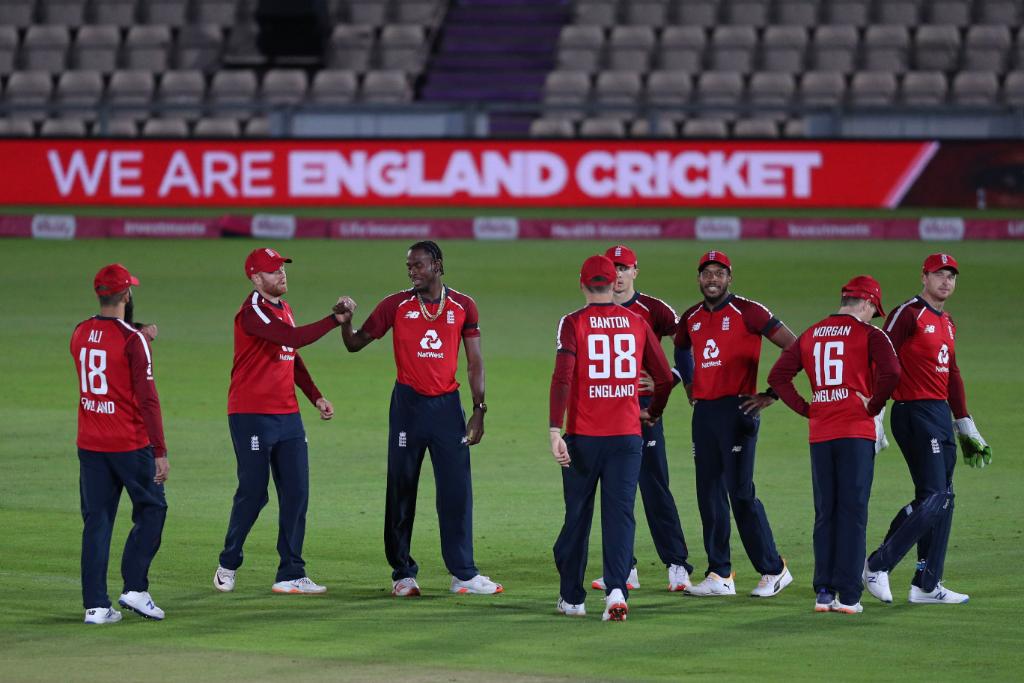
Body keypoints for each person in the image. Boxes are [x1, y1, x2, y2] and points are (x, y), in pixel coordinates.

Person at [334, 241, 502, 597]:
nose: (411, 271)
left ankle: (463, 574)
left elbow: (474, 363)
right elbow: (355, 344)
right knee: (401, 489)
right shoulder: (395, 305)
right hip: (408, 408)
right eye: (409, 265)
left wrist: (479, 410)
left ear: (438, 265)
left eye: (418, 265)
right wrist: (345, 325)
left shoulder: (463, 306)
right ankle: (402, 573)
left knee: (456, 492)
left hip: (447, 409)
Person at [549, 254, 674, 621]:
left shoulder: (573, 323)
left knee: (578, 516)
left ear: (583, 283)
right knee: (620, 515)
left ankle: (572, 598)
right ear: (611, 282)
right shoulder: (636, 322)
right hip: (626, 437)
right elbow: (664, 377)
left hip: (584, 438)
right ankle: (617, 591)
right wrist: (653, 411)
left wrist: (555, 429)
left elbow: (563, 378)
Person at [863, 253, 992, 605]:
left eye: (951, 276)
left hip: (937, 414)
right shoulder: (908, 313)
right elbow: (881, 358)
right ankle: (877, 564)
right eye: (939, 274)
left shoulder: (947, 322)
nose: (946, 281)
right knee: (937, 496)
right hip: (912, 411)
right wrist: (875, 414)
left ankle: (926, 584)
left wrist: (965, 423)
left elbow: (952, 375)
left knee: (941, 499)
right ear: (924, 277)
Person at [769, 276, 901, 614]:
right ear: (868, 303)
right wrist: (872, 407)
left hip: (821, 434)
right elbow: (893, 373)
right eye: (874, 309)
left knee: (826, 512)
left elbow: (778, 378)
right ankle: (850, 596)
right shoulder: (871, 335)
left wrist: (807, 409)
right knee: (853, 513)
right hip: (856, 432)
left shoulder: (811, 334)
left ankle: (824, 592)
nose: (874, 315)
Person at [214, 247, 342, 595]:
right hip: (251, 414)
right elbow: (293, 339)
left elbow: (291, 356)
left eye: (282, 268)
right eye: (273, 271)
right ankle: (228, 561)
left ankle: (290, 573)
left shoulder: (284, 309)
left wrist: (315, 396)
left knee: (297, 492)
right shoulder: (250, 313)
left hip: (288, 416)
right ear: (256, 279)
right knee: (254, 494)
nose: (282, 274)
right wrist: (334, 321)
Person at [673, 250, 796, 597]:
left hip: (739, 410)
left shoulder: (749, 311)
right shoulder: (691, 317)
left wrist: (773, 393)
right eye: (706, 273)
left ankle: (774, 569)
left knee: (740, 493)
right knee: (708, 495)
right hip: (705, 414)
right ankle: (719, 574)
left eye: (719, 273)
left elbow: (795, 347)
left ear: (730, 278)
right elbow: (681, 348)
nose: (712, 279)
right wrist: (689, 383)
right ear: (698, 278)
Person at [588, 245, 694, 594]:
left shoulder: (654, 310)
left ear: (635, 271)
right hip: (606, 410)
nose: (617, 274)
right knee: (616, 493)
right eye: (612, 268)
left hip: (644, 410)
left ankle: (677, 565)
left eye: (624, 268)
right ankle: (625, 569)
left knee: (653, 484)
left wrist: (676, 377)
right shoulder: (593, 311)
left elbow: (688, 341)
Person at [71, 263, 169, 624]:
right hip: (129, 443)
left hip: (91, 444)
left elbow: (106, 349)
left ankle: (96, 606)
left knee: (97, 522)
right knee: (153, 508)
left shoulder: (80, 332)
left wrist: (141, 336)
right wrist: (159, 451)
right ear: (127, 294)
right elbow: (147, 399)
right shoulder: (134, 341)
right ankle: (135, 588)